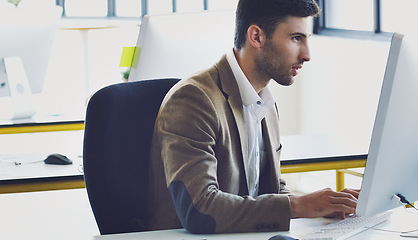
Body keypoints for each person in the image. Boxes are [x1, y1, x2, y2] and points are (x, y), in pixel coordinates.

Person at [147, 0, 359, 234]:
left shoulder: (265, 102)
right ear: (256, 37)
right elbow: (200, 209)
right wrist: (299, 205)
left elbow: (270, 190)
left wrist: (323, 205)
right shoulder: (194, 99)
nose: (307, 55)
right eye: (296, 38)